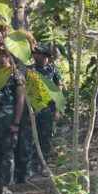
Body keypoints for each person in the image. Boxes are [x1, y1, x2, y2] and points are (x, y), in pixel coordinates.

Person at [21, 42, 62, 178]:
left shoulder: (53, 71)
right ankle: (32, 166)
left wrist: (57, 109)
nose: (36, 56)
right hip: (32, 110)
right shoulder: (29, 70)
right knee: (32, 137)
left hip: (48, 109)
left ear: (45, 55)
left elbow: (58, 90)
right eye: (35, 53)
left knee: (46, 137)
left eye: (39, 53)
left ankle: (44, 165)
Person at [0, 48, 24, 194]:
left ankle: (6, 184)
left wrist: (16, 121)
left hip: (9, 115)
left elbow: (20, 99)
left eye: (5, 56)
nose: (2, 59)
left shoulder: (16, 73)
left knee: (8, 153)